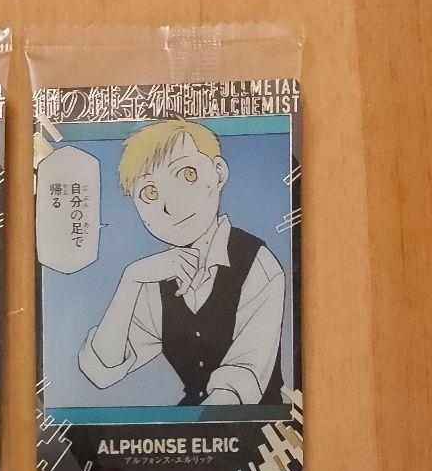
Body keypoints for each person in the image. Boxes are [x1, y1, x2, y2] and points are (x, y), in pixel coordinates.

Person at [79, 119, 286, 407]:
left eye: (188, 174)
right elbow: (103, 370)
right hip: (191, 421)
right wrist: (131, 279)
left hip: (255, 426)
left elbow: (242, 380)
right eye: (150, 192)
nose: (172, 205)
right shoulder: (157, 276)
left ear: (218, 173)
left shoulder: (257, 264)